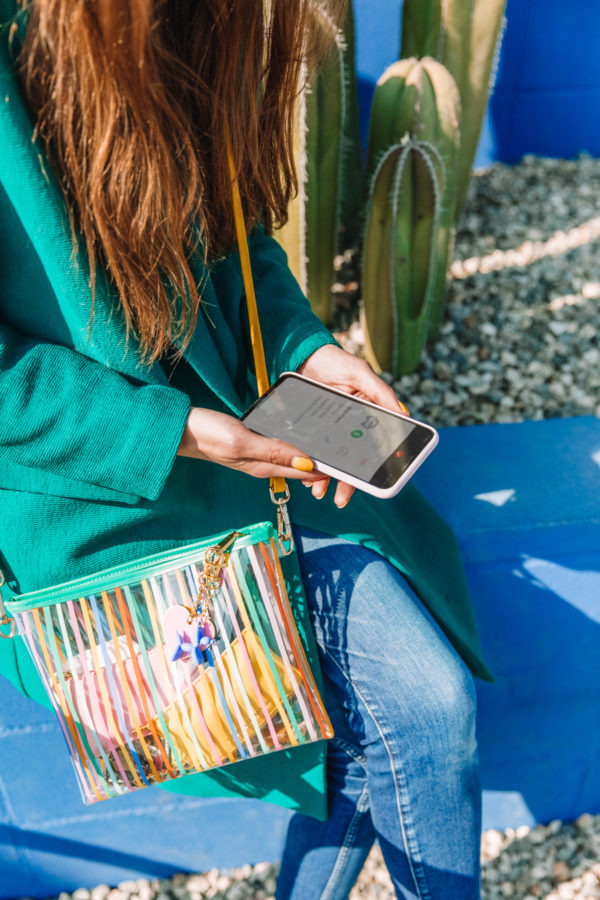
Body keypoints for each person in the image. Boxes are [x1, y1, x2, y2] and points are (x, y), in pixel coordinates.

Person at [0, 1, 493, 897]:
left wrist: (309, 349)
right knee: (417, 714)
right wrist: (177, 432)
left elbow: (227, 236)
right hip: (96, 494)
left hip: (254, 441)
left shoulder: (193, 22)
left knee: (409, 714)